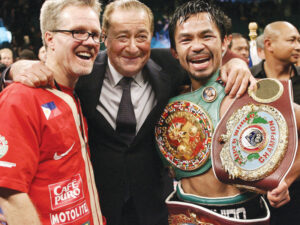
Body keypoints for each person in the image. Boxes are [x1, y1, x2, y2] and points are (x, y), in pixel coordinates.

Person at [1, 0, 256, 224]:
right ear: (105, 39)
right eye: (122, 37)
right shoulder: (83, 73)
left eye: (142, 37)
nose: (133, 47)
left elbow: (205, 49)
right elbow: (44, 78)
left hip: (154, 206)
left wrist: (235, 62)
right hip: (100, 206)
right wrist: (14, 69)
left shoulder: (167, 66)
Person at [156, 1, 300, 224]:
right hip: (185, 213)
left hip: (247, 211)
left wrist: (285, 179)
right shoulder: (164, 97)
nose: (197, 46)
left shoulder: (250, 91)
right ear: (174, 51)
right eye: (186, 39)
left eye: (207, 36)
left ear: (225, 43)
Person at [0, 0, 105, 224]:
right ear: (49, 39)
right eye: (78, 32)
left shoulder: (73, 93)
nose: (90, 42)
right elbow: (9, 194)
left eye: (95, 35)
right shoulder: (21, 97)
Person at [251, 21, 300, 225]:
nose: (298, 46)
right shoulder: (246, 80)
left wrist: (285, 181)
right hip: (250, 192)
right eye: (292, 40)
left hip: (295, 192)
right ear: (269, 44)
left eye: (299, 40)